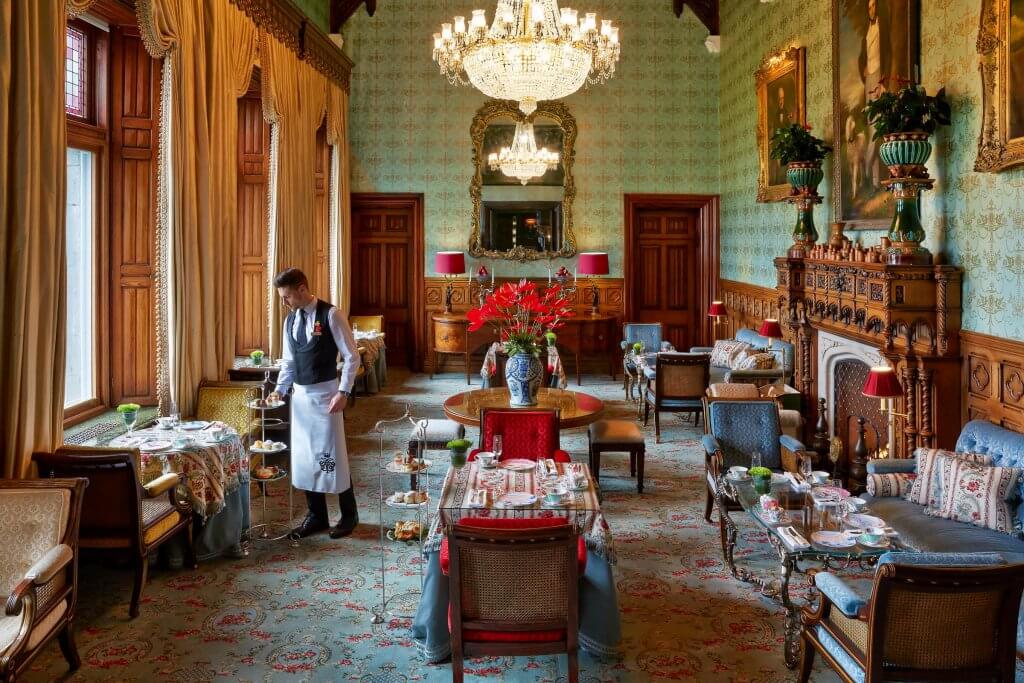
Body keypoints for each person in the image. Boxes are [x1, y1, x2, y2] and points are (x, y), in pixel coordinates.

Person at [268, 268, 362, 539]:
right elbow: (288, 362)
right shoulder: (290, 321)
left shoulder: (331, 314)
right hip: (300, 400)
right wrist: (279, 390)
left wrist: (343, 392)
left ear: (301, 289)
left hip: (326, 397)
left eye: (287, 296)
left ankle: (348, 514)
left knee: (330, 457)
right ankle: (317, 515)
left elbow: (352, 356)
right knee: (306, 458)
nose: (285, 302)